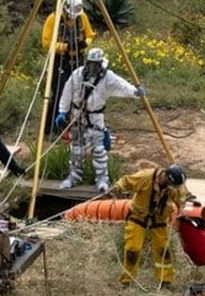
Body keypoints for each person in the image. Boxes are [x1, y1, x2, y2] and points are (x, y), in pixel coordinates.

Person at [56, 47, 146, 193]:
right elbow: (67, 92)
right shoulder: (77, 74)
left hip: (96, 118)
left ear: (100, 63)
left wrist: (135, 92)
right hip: (77, 116)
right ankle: (74, 176)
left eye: (95, 64)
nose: (92, 67)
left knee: (99, 150)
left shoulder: (107, 77)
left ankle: (102, 179)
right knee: (76, 149)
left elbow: (121, 85)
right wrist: (62, 111)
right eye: (90, 63)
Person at [112, 165, 191, 288]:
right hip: (138, 217)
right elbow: (126, 181)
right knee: (132, 249)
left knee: (163, 250)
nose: (173, 189)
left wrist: (183, 206)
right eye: (171, 185)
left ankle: (165, 280)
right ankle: (127, 281)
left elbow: (181, 199)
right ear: (165, 176)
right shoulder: (145, 177)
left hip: (159, 220)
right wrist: (117, 187)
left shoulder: (176, 187)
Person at [42, 0, 96, 135]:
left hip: (77, 60)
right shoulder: (54, 18)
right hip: (60, 60)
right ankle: (52, 128)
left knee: (79, 92)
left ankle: (74, 123)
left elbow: (90, 34)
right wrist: (65, 47)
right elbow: (46, 42)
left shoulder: (81, 17)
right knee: (60, 93)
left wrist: (85, 44)